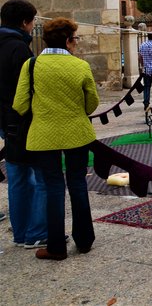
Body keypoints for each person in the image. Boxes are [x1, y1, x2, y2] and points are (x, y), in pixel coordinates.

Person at [13, 17, 99, 261]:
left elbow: (20, 104)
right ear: (68, 41)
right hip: (77, 133)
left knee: (53, 187)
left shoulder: (31, 65)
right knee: (78, 184)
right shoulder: (80, 66)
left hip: (44, 134)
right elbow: (91, 104)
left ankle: (56, 246)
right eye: (75, 39)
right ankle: (84, 240)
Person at [0, 0, 48, 250]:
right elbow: (27, 90)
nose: (32, 28)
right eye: (32, 22)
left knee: (18, 178)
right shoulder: (18, 49)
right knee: (39, 177)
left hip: (4, 120)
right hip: (21, 121)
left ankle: (20, 233)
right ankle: (37, 232)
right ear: (24, 22)